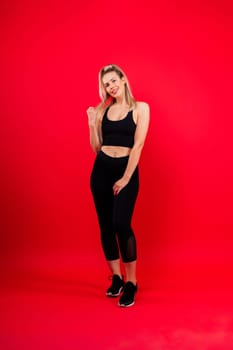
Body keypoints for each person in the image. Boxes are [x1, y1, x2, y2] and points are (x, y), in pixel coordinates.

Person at [87, 64, 150, 307]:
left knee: (121, 223)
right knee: (105, 225)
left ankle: (132, 282)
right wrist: (92, 123)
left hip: (126, 170)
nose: (111, 86)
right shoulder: (103, 110)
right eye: (106, 84)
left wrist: (125, 178)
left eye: (113, 80)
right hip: (101, 170)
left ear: (123, 79)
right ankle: (117, 278)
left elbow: (139, 145)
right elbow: (96, 148)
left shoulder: (140, 108)